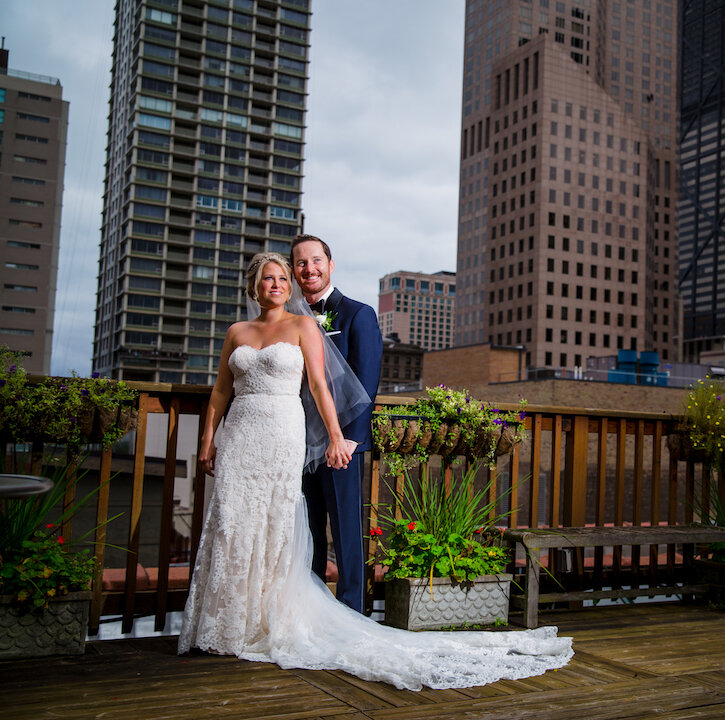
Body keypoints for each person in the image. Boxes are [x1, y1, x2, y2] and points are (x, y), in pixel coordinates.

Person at [178, 252, 572, 690]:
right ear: (255, 287)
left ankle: (325, 615)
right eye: (275, 275)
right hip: (248, 438)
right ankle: (232, 621)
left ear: (322, 267)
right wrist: (208, 440)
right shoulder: (238, 332)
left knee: (308, 530)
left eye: (290, 273)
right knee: (237, 525)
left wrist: (339, 438)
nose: (285, 280)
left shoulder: (336, 319)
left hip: (313, 440)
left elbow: (338, 387)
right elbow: (220, 389)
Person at [291, 233, 382, 613]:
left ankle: (352, 612)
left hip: (339, 443)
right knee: (305, 531)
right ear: (294, 271)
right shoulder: (290, 319)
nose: (309, 268)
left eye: (316, 260)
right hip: (297, 441)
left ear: (330, 265)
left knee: (346, 531)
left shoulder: (358, 314)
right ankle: (309, 611)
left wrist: (347, 440)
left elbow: (367, 379)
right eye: (300, 263)